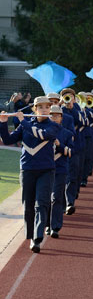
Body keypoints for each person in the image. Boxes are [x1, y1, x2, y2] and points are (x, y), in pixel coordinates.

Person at [0, 96, 61, 252]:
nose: (44, 110)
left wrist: (23, 122)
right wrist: (3, 122)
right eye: (40, 107)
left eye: (47, 107)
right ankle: (30, 235)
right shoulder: (26, 125)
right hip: (27, 169)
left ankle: (37, 237)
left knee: (41, 203)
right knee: (28, 205)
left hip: (46, 170)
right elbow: (7, 140)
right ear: (35, 109)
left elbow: (42, 135)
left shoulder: (53, 126)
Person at [47, 105, 74, 239]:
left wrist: (59, 145)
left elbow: (70, 152)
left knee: (56, 197)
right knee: (44, 198)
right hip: (44, 168)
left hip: (60, 168)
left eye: (57, 115)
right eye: (51, 115)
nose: (54, 118)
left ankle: (55, 226)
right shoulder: (43, 131)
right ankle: (46, 224)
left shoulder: (67, 133)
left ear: (61, 118)